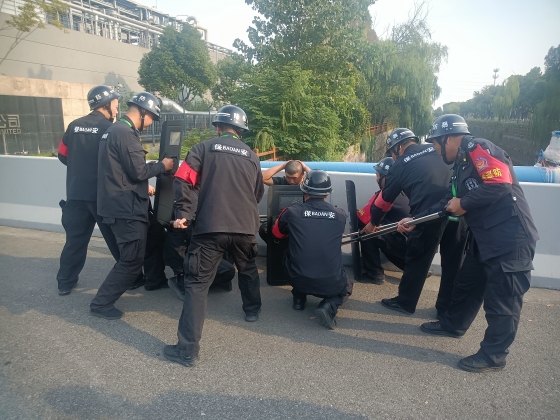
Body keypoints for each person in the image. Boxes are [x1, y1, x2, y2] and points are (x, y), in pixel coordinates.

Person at [406, 114, 539, 373]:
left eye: (436, 144)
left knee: (502, 302)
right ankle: (453, 325)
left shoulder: (479, 147)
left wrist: (464, 203)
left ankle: (493, 356)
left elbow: (499, 184)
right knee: (467, 284)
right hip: (484, 238)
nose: (436, 151)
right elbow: (448, 203)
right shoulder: (461, 166)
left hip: (510, 239)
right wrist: (416, 220)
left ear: (449, 138)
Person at [164, 105, 264, 368]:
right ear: (241, 130)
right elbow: (257, 194)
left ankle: (187, 351)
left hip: (211, 227)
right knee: (248, 268)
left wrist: (184, 213)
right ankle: (252, 310)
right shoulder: (252, 156)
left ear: (218, 127)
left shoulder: (203, 149)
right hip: (245, 227)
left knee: (197, 284)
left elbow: (182, 180)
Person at [89, 92, 174, 319]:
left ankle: (155, 280)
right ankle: (101, 303)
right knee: (131, 260)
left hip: (126, 202)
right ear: (143, 111)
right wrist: (163, 165)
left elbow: (121, 169)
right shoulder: (125, 133)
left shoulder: (115, 130)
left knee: (156, 234)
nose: (151, 123)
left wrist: (144, 182)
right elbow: (138, 171)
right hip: (126, 208)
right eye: (152, 117)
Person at [370, 128, 467, 316]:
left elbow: (384, 201)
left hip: (425, 216)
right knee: (454, 262)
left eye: (392, 153)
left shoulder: (400, 165)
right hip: (457, 210)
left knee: (417, 259)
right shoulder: (438, 150)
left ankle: (405, 302)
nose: (393, 157)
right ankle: (445, 309)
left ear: (398, 148)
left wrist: (373, 223)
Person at [56, 85, 121, 296]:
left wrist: (80, 168)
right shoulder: (110, 129)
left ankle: (65, 282)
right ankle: (132, 277)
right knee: (116, 239)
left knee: (74, 242)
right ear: (106, 104)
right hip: (101, 196)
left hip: (75, 194)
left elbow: (62, 155)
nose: (117, 109)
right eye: (115, 104)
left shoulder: (74, 126)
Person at [271, 170, 351, 330]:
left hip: (296, 277)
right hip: (330, 282)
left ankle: (298, 299)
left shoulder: (291, 212)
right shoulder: (340, 215)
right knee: (347, 285)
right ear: (327, 194)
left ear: (304, 191)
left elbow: (277, 234)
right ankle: (328, 305)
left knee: (292, 252)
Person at [357, 157, 410, 284]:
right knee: (382, 233)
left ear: (385, 177)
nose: (376, 179)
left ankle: (374, 274)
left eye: (377, 175)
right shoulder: (405, 191)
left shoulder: (387, 196)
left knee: (367, 234)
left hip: (405, 243)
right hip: (412, 241)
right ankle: (413, 268)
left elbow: (365, 219)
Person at [165, 223, 236, 301]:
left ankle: (209, 279)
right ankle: (181, 283)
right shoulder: (190, 220)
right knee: (228, 271)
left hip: (196, 250)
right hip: (190, 254)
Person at [259, 160, 311, 242]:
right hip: (283, 220)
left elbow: (318, 180)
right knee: (264, 229)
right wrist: (283, 166)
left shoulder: (307, 185)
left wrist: (305, 167)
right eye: (288, 177)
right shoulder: (282, 182)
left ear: (302, 174)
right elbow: (263, 178)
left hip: (301, 220)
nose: (291, 181)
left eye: (294, 178)